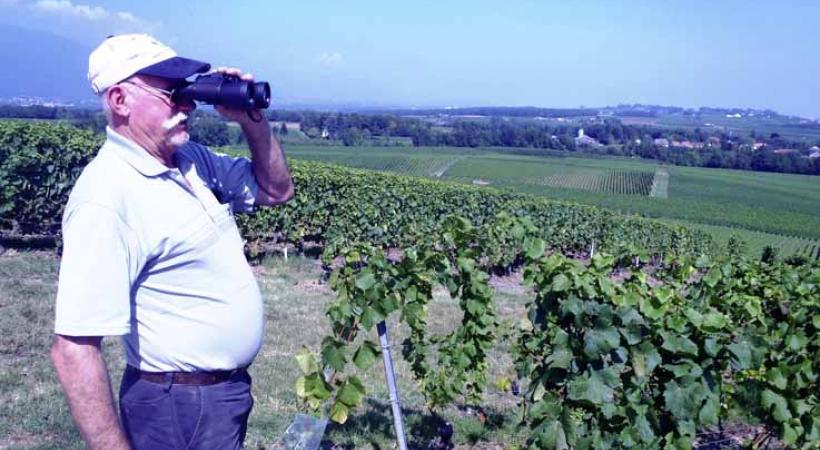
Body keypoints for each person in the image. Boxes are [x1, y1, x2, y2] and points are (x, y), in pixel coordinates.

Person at [49, 34, 293, 450]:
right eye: (170, 93)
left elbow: (275, 191)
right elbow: (73, 349)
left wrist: (253, 120)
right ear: (120, 100)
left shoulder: (190, 160)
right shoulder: (107, 197)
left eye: (187, 92)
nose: (188, 105)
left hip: (219, 396)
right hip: (175, 406)